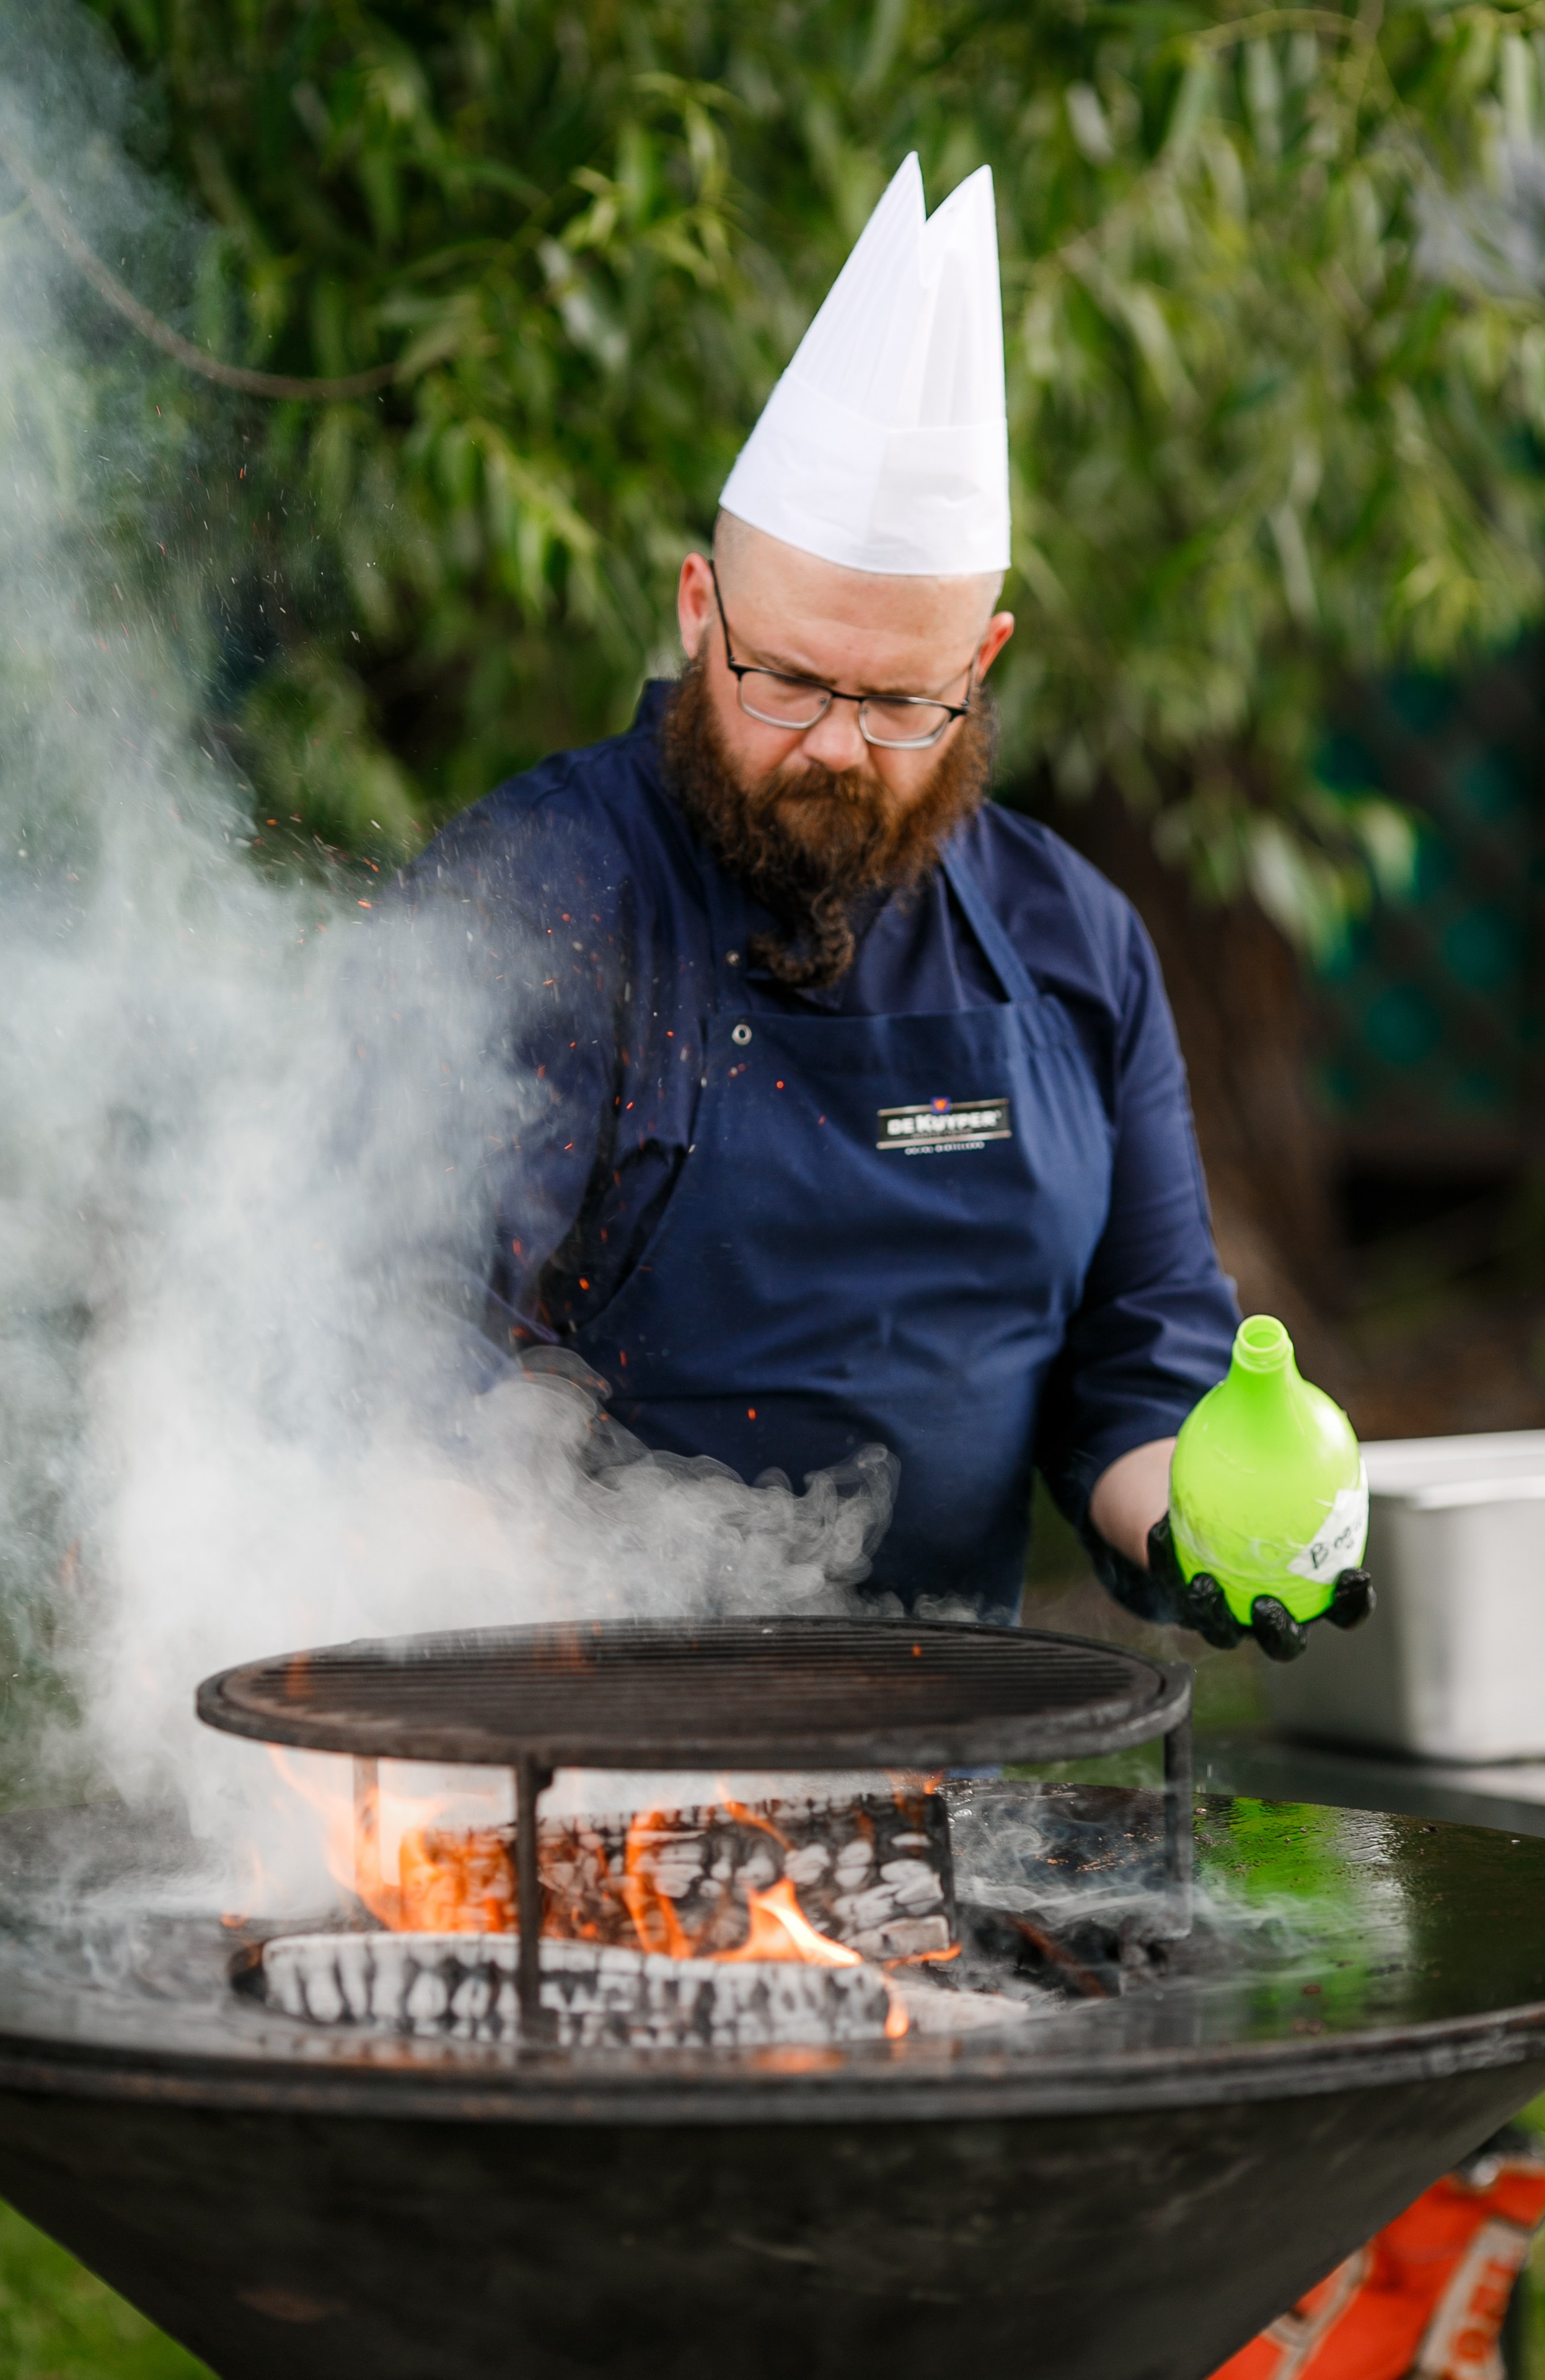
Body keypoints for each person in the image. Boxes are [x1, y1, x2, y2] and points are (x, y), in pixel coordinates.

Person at [408, 153, 1365, 1658]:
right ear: (695, 611)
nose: (836, 745)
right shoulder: (540, 897)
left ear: (978, 663)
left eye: (900, 698)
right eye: (784, 679)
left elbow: (1139, 1357)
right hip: (584, 1766)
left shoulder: (1075, 945)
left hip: (939, 1793)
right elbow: (395, 1322)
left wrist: (1203, 1531)